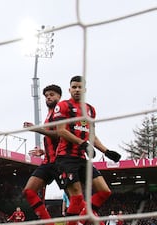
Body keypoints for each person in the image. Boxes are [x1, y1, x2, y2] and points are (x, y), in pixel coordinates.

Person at [53, 75, 121, 225]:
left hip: (82, 158)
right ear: (69, 89)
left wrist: (106, 151)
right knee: (77, 198)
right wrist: (82, 143)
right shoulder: (63, 106)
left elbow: (92, 135)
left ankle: (82, 220)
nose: (77, 90)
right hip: (66, 158)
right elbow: (61, 131)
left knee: (105, 191)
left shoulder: (90, 110)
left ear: (85, 89)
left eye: (80, 87)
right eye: (74, 87)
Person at [22, 84, 62, 225]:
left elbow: (60, 134)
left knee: (76, 199)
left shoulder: (60, 112)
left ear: (59, 96)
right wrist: (43, 152)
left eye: (51, 95)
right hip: (48, 161)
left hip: (61, 162)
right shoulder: (49, 115)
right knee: (28, 191)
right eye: (46, 96)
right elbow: (55, 140)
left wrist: (36, 129)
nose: (48, 97)